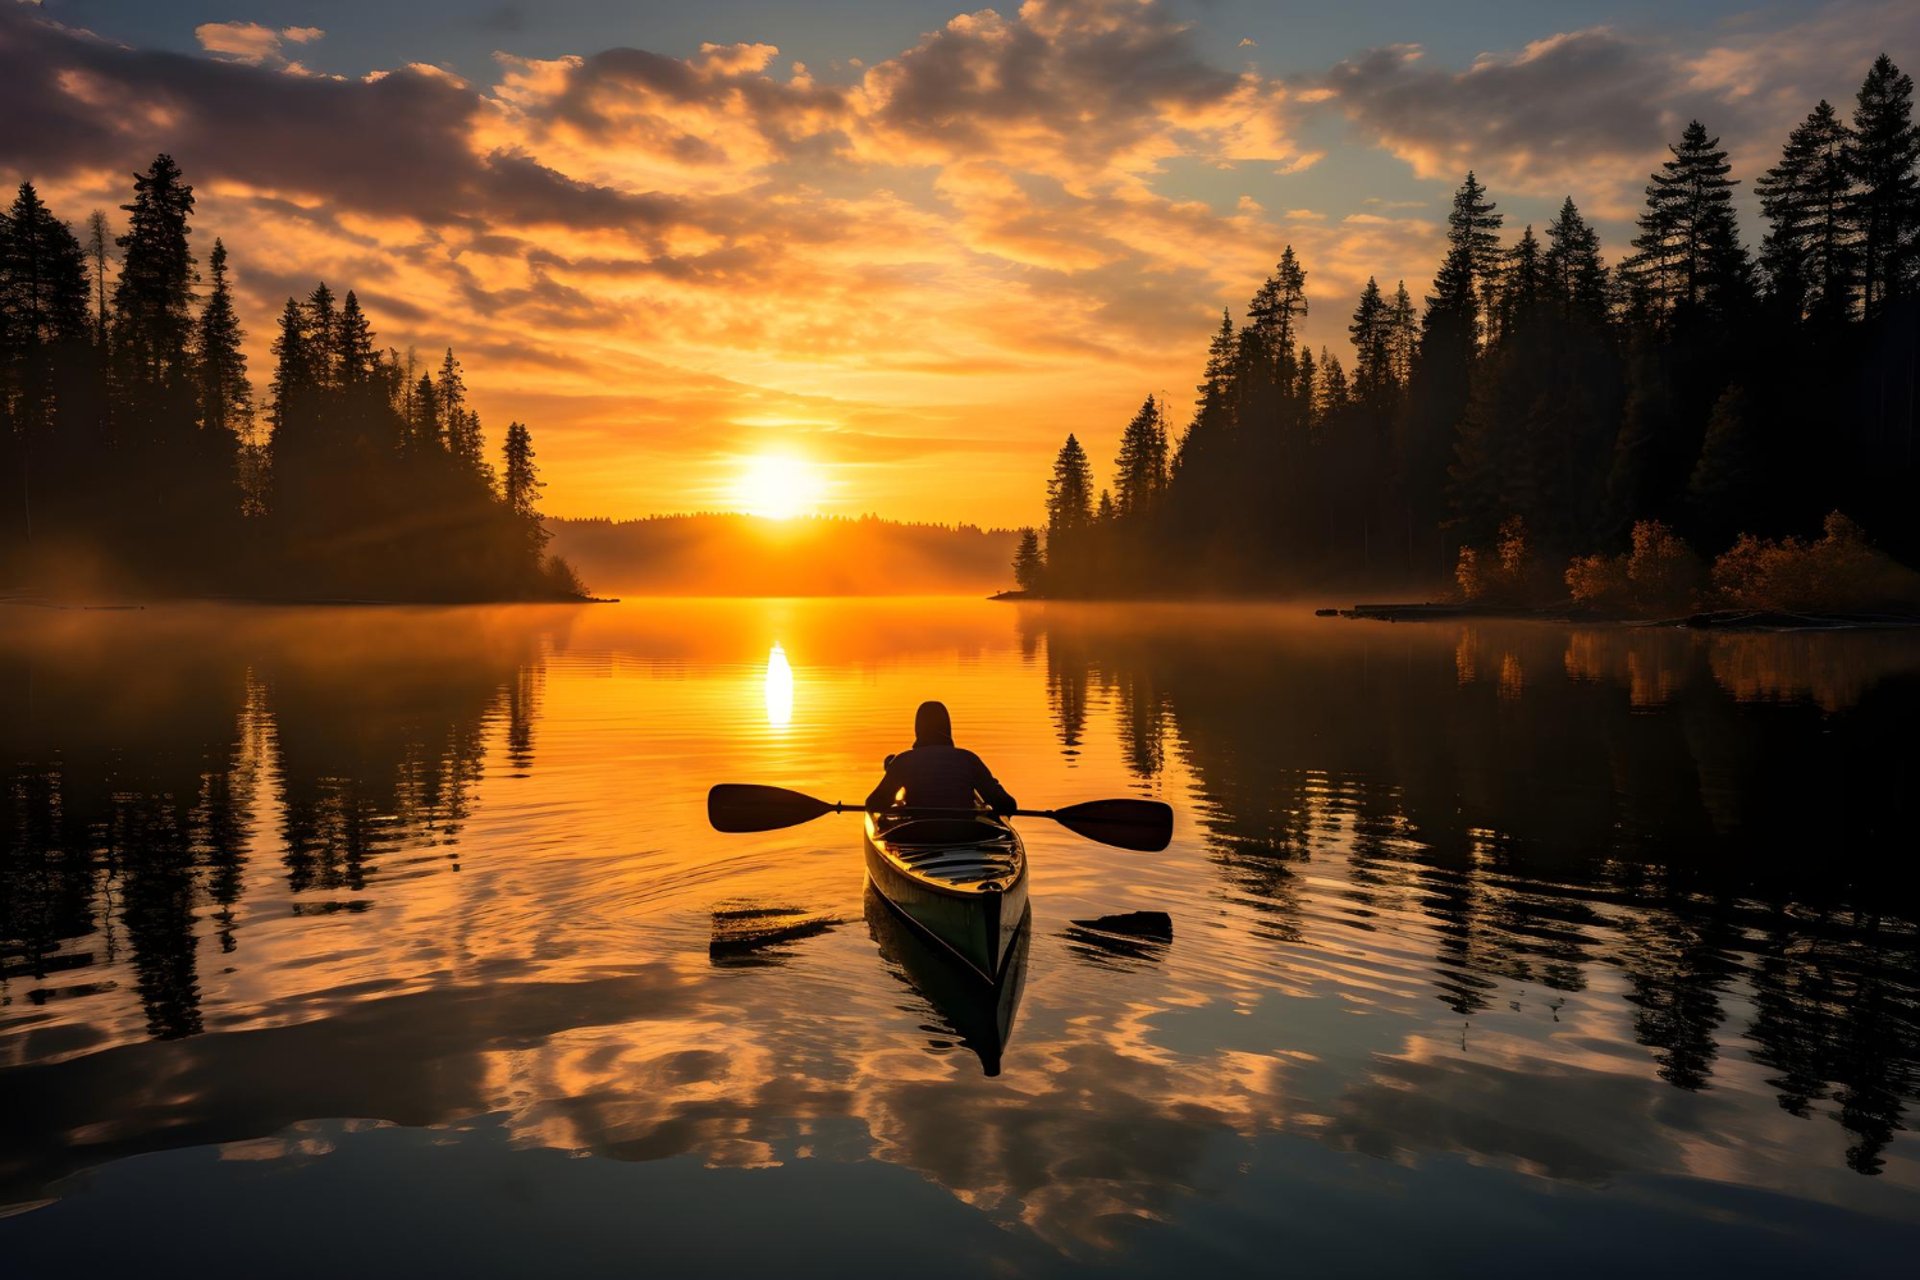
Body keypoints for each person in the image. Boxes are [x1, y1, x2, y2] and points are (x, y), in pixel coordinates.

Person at [865, 701, 1017, 816]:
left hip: (919, 835)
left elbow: (873, 804)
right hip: (965, 834)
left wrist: (898, 804)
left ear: (917, 729)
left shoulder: (903, 761)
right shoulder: (969, 759)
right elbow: (1006, 804)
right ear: (948, 728)